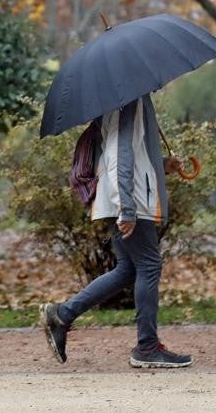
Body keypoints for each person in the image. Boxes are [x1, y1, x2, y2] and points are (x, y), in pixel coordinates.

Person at [39, 93, 193, 368]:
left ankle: (62, 314)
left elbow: (132, 153)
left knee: (127, 269)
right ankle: (146, 347)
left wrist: (163, 164)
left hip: (119, 195)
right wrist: (128, 208)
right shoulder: (128, 99)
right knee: (149, 265)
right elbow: (119, 156)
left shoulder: (120, 98)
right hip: (129, 197)